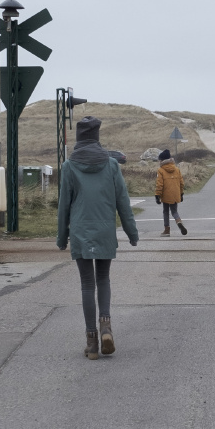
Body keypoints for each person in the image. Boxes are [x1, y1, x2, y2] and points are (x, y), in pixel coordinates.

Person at [57, 116, 138, 359]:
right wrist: (131, 232)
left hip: (81, 232)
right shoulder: (111, 165)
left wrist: (62, 237)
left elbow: (64, 206)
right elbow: (122, 201)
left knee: (86, 284)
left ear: (80, 138)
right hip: (104, 231)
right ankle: (106, 326)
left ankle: (92, 342)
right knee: (103, 279)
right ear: (97, 137)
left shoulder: (69, 166)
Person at [155, 149, 188, 237]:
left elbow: (159, 184)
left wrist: (157, 195)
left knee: (166, 211)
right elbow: (181, 183)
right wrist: (181, 193)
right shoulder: (177, 169)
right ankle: (179, 222)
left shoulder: (161, 170)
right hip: (175, 193)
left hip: (166, 194)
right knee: (174, 211)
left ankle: (167, 230)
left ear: (162, 160)